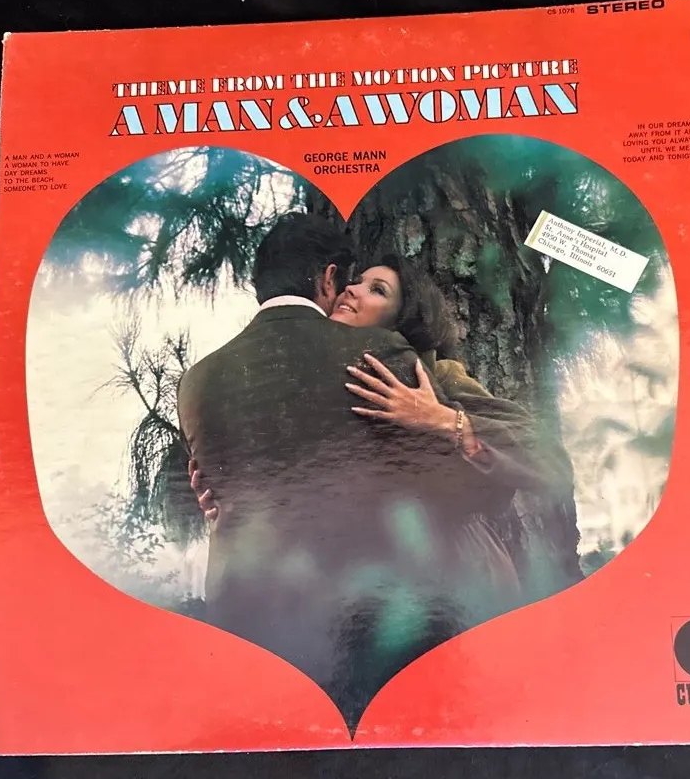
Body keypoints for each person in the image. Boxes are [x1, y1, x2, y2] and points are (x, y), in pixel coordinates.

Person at [176, 214, 500, 726]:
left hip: (255, 630)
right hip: (372, 631)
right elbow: (455, 487)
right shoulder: (380, 352)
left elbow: (215, 490)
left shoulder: (197, 381)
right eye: (345, 283)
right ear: (328, 278)